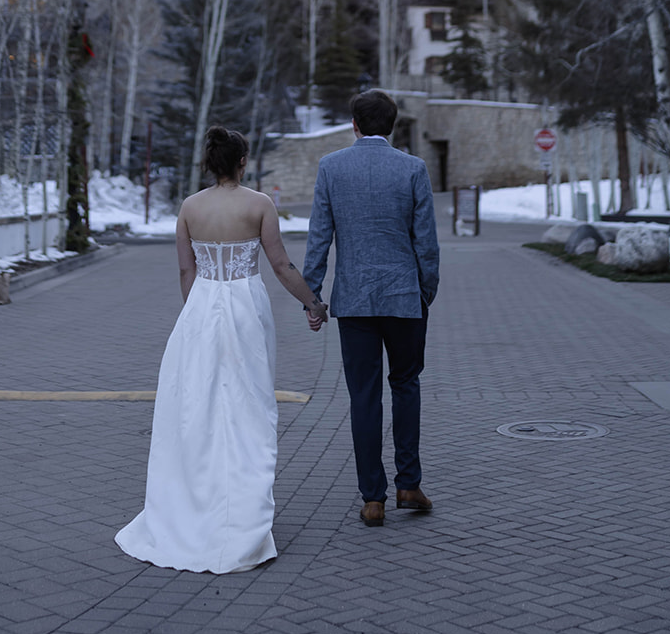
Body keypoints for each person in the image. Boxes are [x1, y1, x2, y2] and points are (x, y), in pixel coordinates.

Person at [115, 124, 328, 573]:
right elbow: (281, 265)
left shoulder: (190, 207)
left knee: (197, 408)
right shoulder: (259, 204)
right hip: (246, 308)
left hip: (201, 307)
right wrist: (313, 303)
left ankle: (194, 508)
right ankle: (243, 519)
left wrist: (195, 317)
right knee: (248, 407)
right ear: (242, 162)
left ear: (210, 163)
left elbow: (185, 271)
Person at [301, 88, 439, 528]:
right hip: (404, 298)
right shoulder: (414, 168)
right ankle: (408, 483)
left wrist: (313, 296)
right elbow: (427, 244)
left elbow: (319, 235)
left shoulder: (331, 167)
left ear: (354, 125)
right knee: (406, 385)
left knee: (363, 395)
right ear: (393, 126)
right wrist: (425, 292)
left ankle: (372, 498)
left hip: (355, 300)